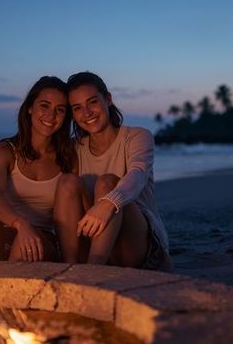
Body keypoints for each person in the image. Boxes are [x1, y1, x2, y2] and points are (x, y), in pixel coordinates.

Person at [53, 71, 173, 271]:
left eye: (92, 102)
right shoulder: (75, 148)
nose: (87, 112)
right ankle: (70, 268)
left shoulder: (137, 136)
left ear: (107, 99)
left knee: (107, 182)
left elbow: (138, 173)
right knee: (67, 182)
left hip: (139, 245)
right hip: (93, 241)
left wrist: (108, 203)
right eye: (77, 108)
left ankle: (93, 269)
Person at [0, 76, 75, 262]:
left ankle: (7, 290)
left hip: (43, 240)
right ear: (29, 108)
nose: (51, 115)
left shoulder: (68, 156)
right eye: (44, 106)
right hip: (5, 231)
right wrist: (21, 225)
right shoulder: (5, 151)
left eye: (59, 110)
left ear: (65, 117)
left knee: (24, 243)